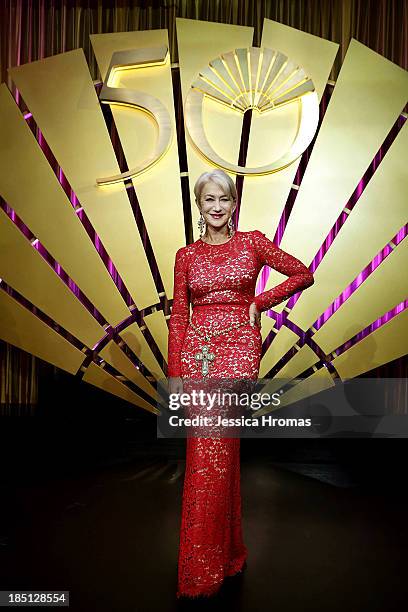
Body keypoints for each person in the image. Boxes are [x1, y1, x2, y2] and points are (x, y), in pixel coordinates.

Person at [167, 168, 314, 599]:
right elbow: (179, 316)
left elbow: (302, 273)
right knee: (213, 455)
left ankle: (203, 569)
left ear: (234, 205)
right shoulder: (186, 255)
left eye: (223, 200)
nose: (216, 207)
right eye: (208, 200)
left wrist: (259, 302)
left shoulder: (251, 241)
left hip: (237, 350)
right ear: (199, 206)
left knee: (214, 456)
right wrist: (176, 374)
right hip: (198, 353)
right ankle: (227, 555)